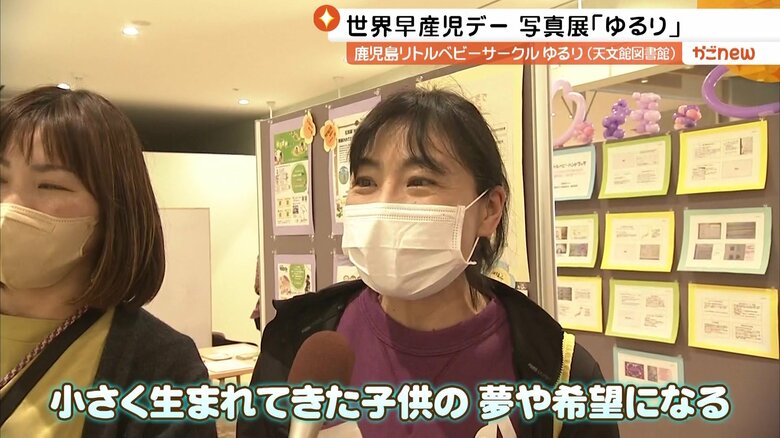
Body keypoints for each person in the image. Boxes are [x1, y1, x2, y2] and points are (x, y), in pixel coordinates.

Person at [237, 89, 619, 438]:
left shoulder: (559, 371)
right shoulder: (295, 346)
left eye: (419, 181)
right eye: (366, 182)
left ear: (489, 209)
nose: (384, 203)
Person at [0, 86, 217, 438]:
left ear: (113, 213)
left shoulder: (161, 365)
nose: (11, 205)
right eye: (0, 179)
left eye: (50, 185)